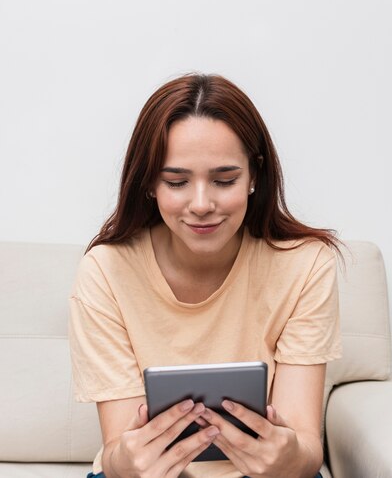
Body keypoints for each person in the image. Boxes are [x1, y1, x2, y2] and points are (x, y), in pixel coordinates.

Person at [69, 73, 344, 478]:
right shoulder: (106, 270)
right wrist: (128, 462)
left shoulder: (305, 264)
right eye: (176, 181)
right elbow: (117, 451)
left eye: (224, 180)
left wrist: (287, 457)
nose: (201, 204)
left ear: (254, 176)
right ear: (149, 183)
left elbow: (304, 449)